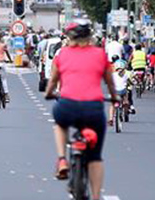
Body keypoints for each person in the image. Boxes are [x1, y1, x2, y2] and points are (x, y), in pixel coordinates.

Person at [44, 21, 116, 200]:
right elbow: (109, 81)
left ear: (70, 38)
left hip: (67, 105)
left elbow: (53, 80)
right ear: (90, 38)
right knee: (95, 157)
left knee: (60, 124)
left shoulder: (62, 55)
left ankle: (62, 159)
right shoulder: (100, 54)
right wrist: (114, 97)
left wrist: (49, 93)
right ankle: (97, 196)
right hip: (93, 109)